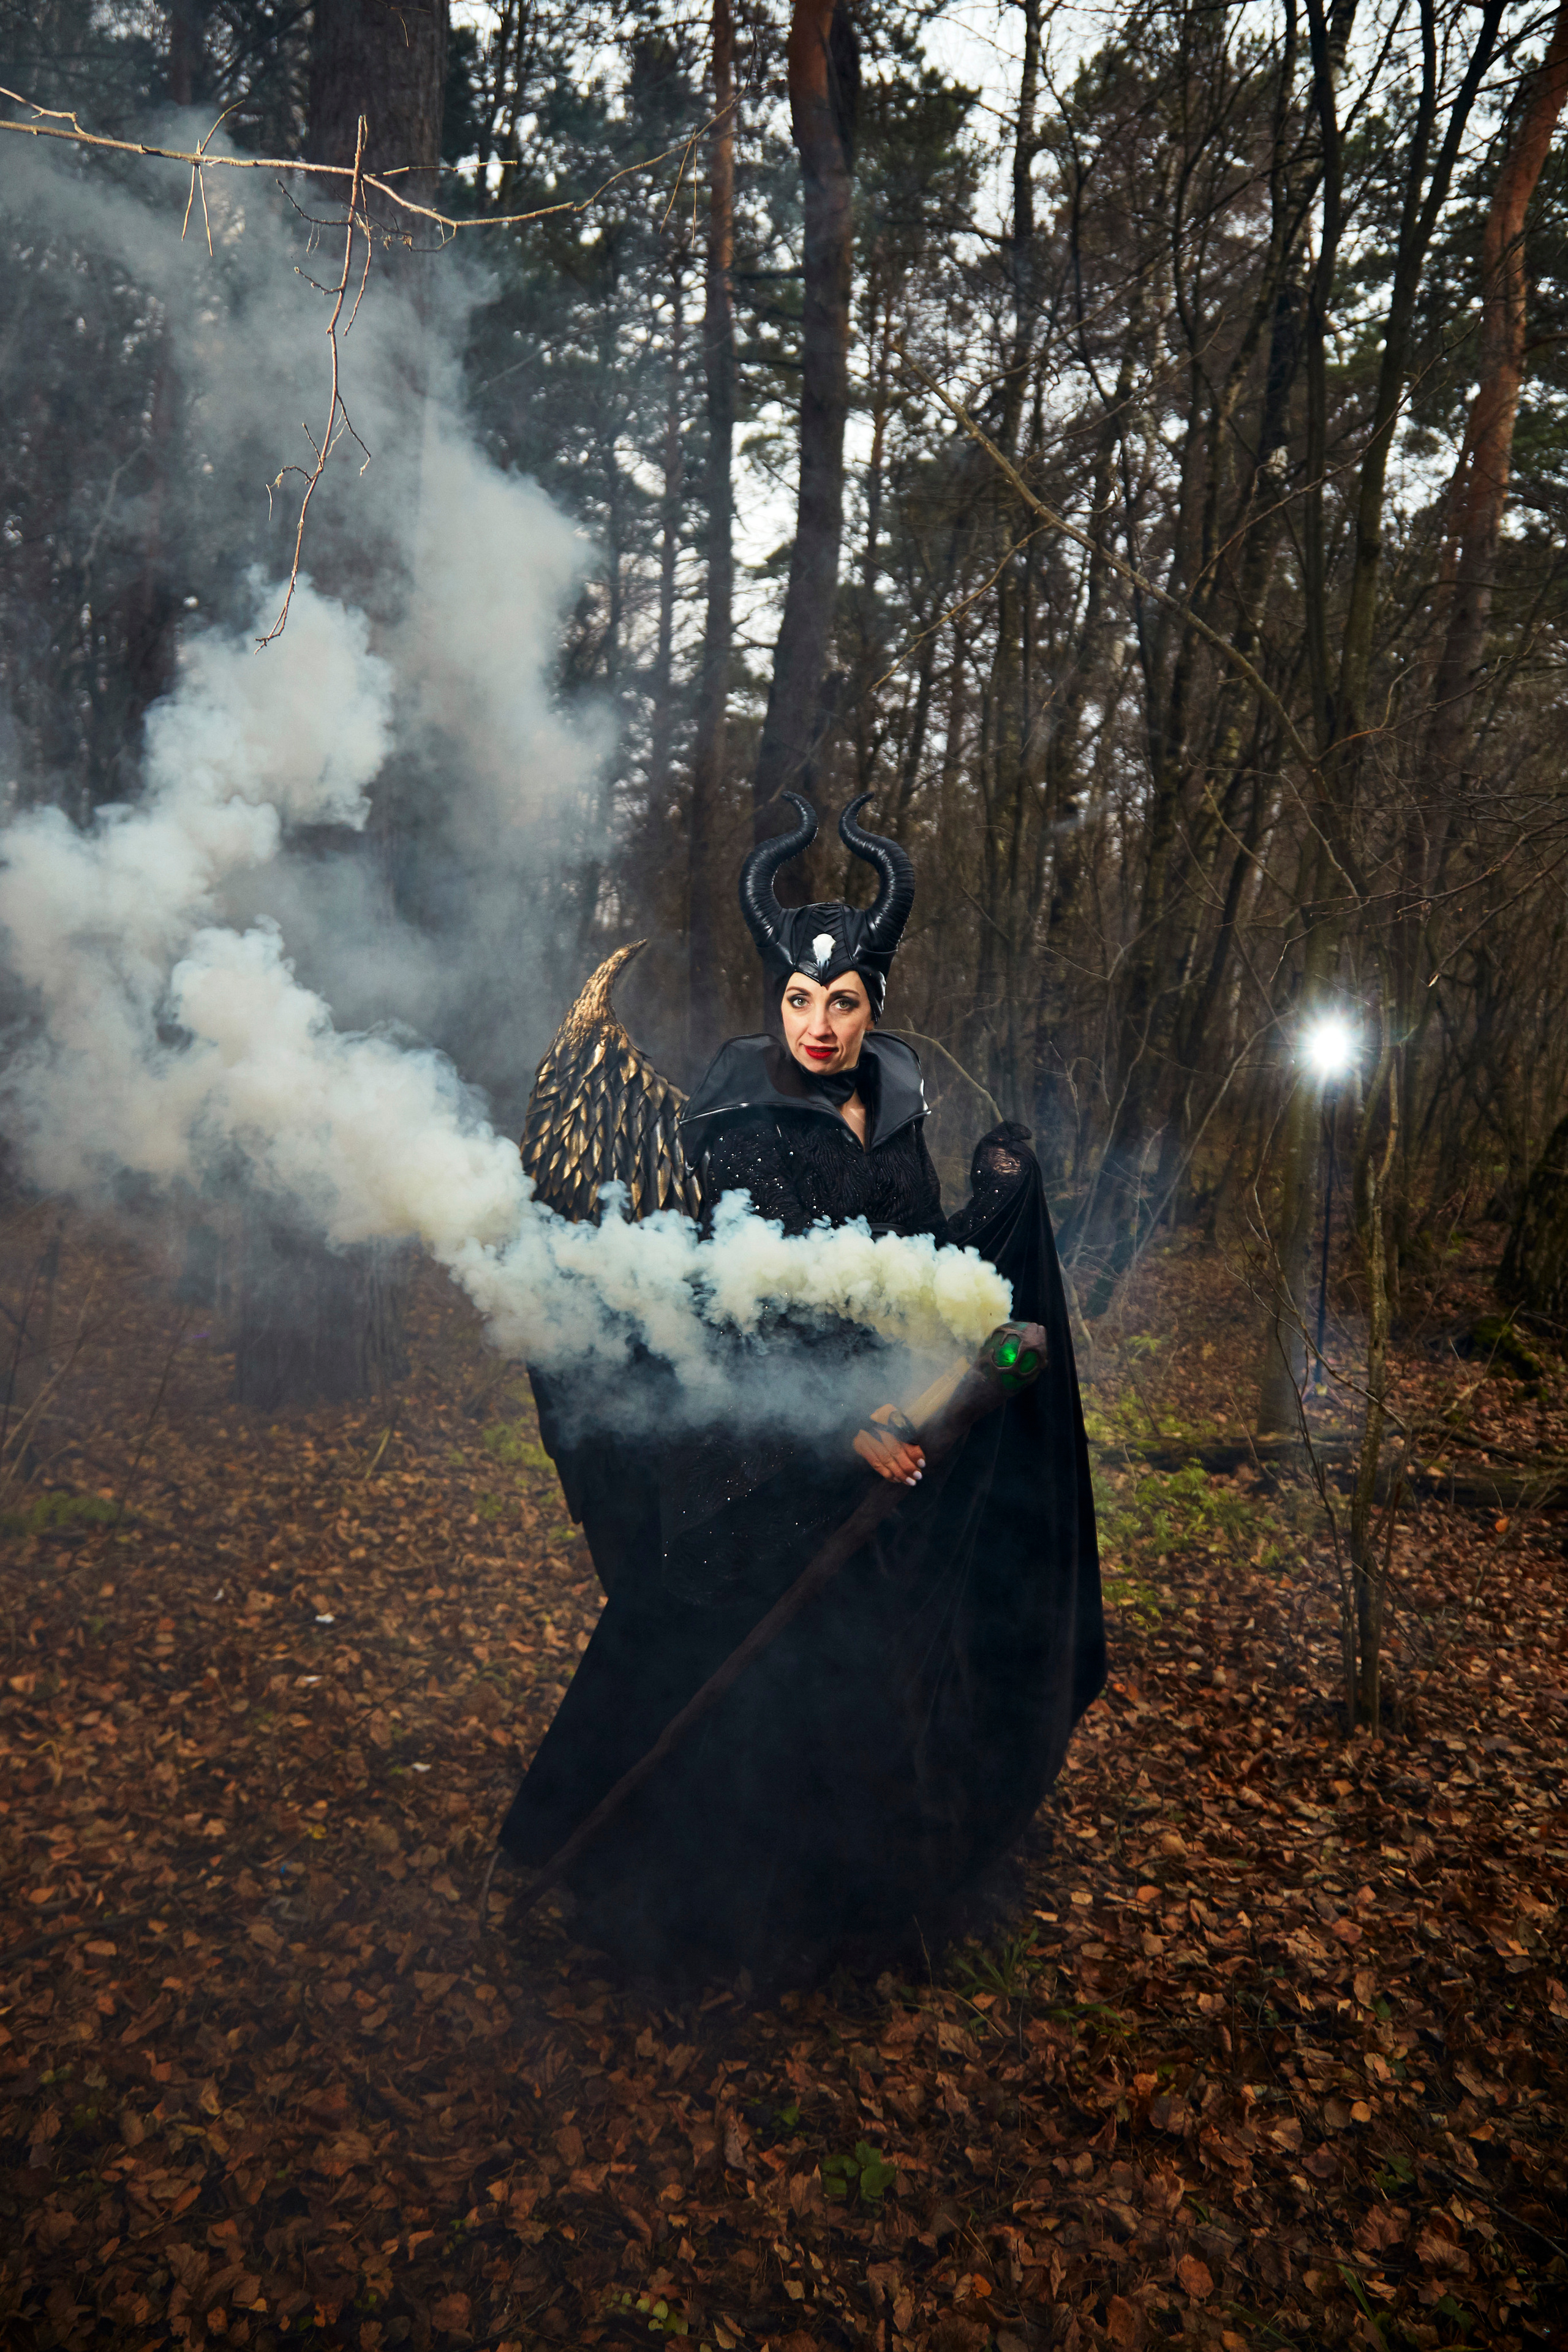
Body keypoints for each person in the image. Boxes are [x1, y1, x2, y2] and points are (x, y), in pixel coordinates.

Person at [498, 796, 1104, 1980]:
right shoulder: (737, 1129)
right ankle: (688, 1923)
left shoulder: (898, 1109)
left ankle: (839, 1919)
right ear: (773, 1000)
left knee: (855, 1683)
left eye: (843, 1003)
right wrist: (840, 1425)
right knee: (738, 1684)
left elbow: (904, 1268)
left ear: (877, 1001)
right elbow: (740, 1318)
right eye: (797, 1000)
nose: (819, 1026)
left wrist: (998, 1199)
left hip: (878, 1437)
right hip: (754, 1458)